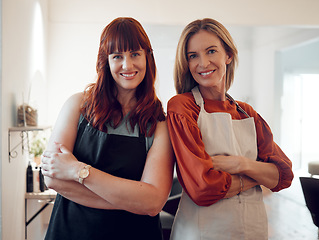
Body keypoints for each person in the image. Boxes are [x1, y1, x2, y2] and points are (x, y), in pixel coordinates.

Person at [41, 17, 174, 240]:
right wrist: (131, 201)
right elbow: (53, 178)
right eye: (117, 56)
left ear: (147, 58)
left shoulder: (159, 123)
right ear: (106, 61)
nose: (127, 65)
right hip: (71, 232)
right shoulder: (77, 106)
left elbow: (153, 202)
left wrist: (78, 171)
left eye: (135, 54)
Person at [167, 18, 294, 240]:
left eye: (211, 51)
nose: (203, 63)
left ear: (228, 55)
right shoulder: (182, 107)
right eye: (193, 56)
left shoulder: (247, 113)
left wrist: (240, 164)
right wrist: (258, 175)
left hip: (253, 231)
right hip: (203, 233)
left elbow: (283, 175)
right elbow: (203, 188)